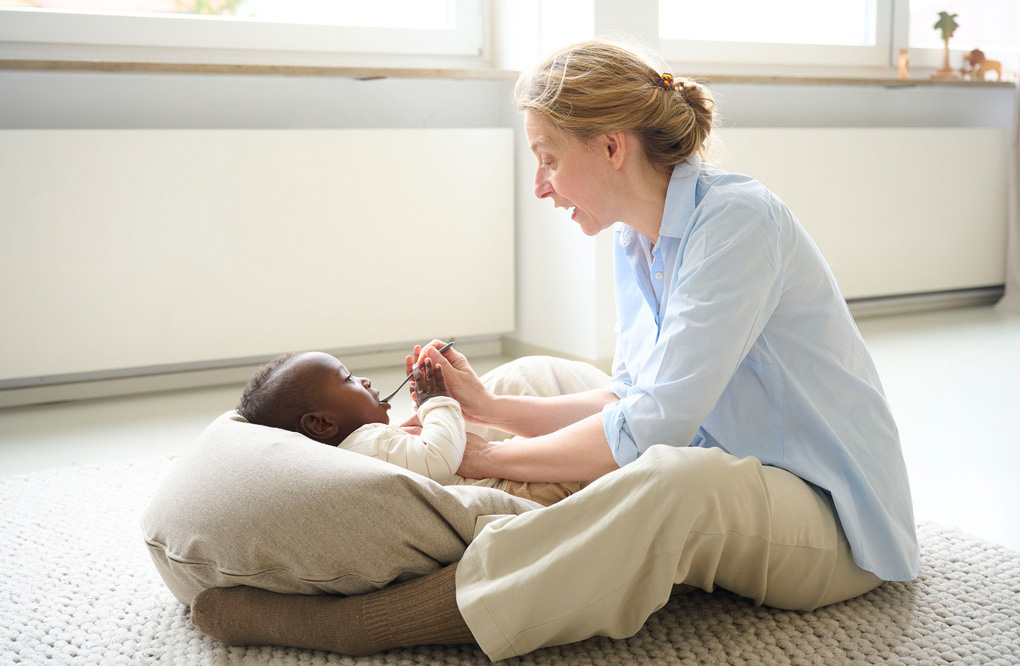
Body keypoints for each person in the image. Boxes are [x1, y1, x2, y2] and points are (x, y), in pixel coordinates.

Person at [190, 39, 919, 660]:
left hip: (829, 519)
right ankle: (467, 527)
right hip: (725, 449)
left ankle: (373, 620)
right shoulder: (638, 241)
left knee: (672, 480)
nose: (540, 187)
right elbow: (629, 396)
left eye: (547, 160)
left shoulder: (738, 223)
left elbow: (651, 429)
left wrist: (488, 455)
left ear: (611, 147)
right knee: (533, 377)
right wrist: (487, 407)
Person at [235, 350, 586, 506]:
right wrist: (436, 401)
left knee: (562, 443)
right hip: (514, 493)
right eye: (349, 379)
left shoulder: (355, 449)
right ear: (323, 424)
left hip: (503, 481)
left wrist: (429, 410)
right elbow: (439, 458)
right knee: (588, 467)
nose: (364, 380)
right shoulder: (365, 445)